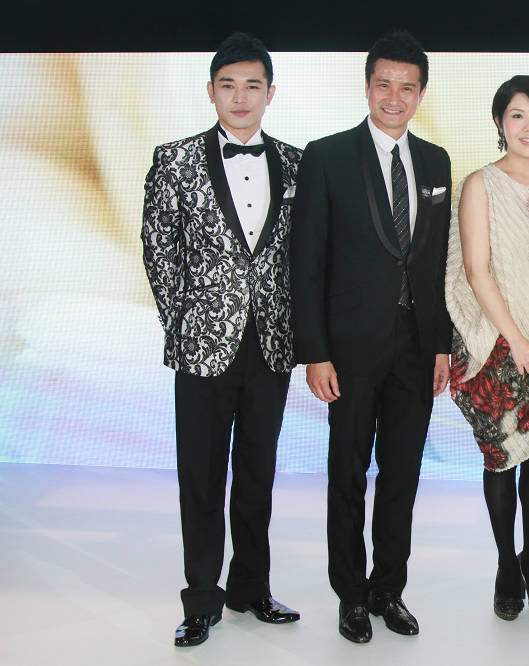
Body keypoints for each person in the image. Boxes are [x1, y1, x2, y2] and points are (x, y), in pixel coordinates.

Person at [289, 29, 452, 644]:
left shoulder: (435, 162)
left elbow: (436, 263)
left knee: (403, 477)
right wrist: (315, 353)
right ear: (367, 87)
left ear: (421, 94)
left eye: (407, 87)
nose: (394, 97)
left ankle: (389, 590)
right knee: (348, 475)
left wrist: (441, 344)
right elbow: (307, 263)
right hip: (350, 351)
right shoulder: (327, 156)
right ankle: (351, 596)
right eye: (384, 84)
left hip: (417, 349)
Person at [140, 32, 302, 648]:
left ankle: (250, 588)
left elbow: (304, 258)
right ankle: (201, 600)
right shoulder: (175, 160)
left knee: (258, 472)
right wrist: (187, 323)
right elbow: (160, 252)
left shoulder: (297, 164)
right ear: (210, 91)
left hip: (271, 346)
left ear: (270, 94)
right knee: (202, 477)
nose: (240, 97)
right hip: (202, 348)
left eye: (252, 86)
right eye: (228, 86)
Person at [445, 76, 529, 621]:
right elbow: (476, 270)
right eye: (518, 115)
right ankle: (506, 563)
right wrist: (517, 342)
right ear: (500, 122)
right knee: (501, 458)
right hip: (497, 345)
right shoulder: (480, 184)